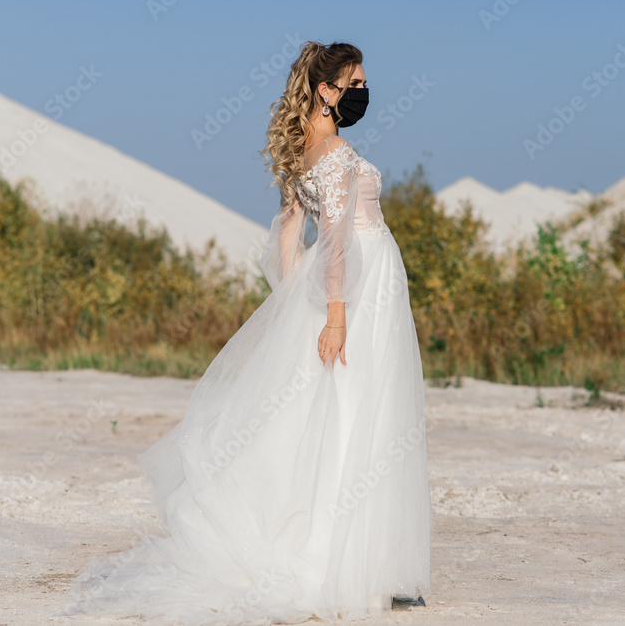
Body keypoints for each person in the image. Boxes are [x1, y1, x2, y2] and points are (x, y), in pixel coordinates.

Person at [54, 40, 431, 625]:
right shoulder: (330, 152)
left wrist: (289, 306)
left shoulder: (300, 149)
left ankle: (364, 562)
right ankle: (343, 565)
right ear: (328, 91)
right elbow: (334, 235)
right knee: (360, 413)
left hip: (338, 284)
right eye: (355, 81)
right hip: (356, 288)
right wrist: (333, 314)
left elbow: (287, 233)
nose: (363, 91)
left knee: (329, 416)